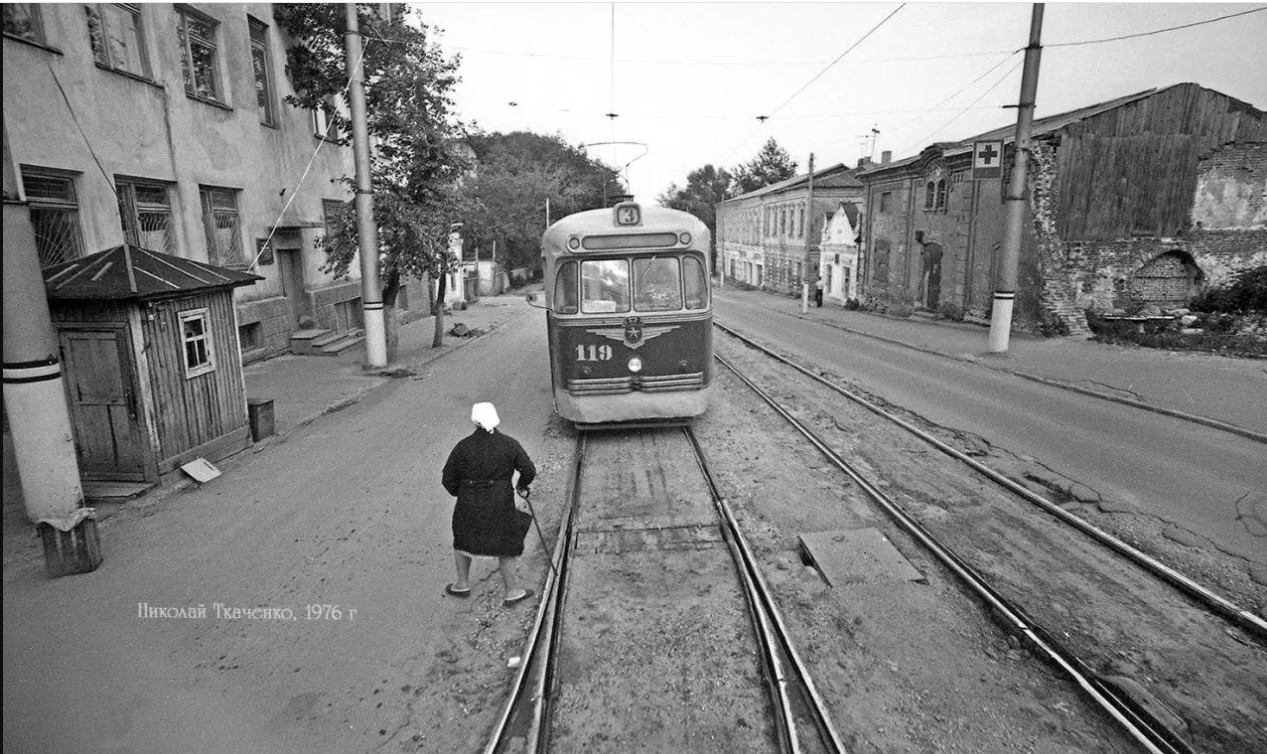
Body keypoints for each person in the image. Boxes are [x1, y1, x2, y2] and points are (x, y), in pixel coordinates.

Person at [441, 402, 537, 607]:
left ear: (475, 421)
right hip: (500, 502)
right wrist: (521, 485)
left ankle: (462, 584)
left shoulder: (462, 446)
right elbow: (528, 470)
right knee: (508, 544)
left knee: (462, 541)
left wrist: (463, 493)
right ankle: (511, 592)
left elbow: (447, 479)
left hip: (468, 503)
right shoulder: (509, 444)